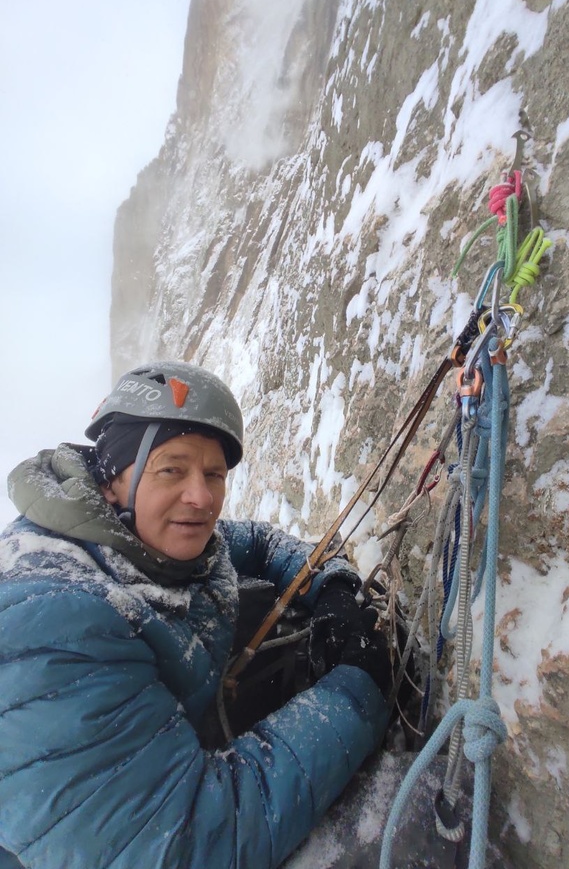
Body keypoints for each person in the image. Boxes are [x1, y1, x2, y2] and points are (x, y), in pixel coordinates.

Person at [0, 360, 392, 869]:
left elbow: (255, 542)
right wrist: (355, 693)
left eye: (214, 474)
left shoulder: (142, 538)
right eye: (172, 468)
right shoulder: (56, 621)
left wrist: (333, 588)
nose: (202, 497)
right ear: (110, 479)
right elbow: (192, 840)